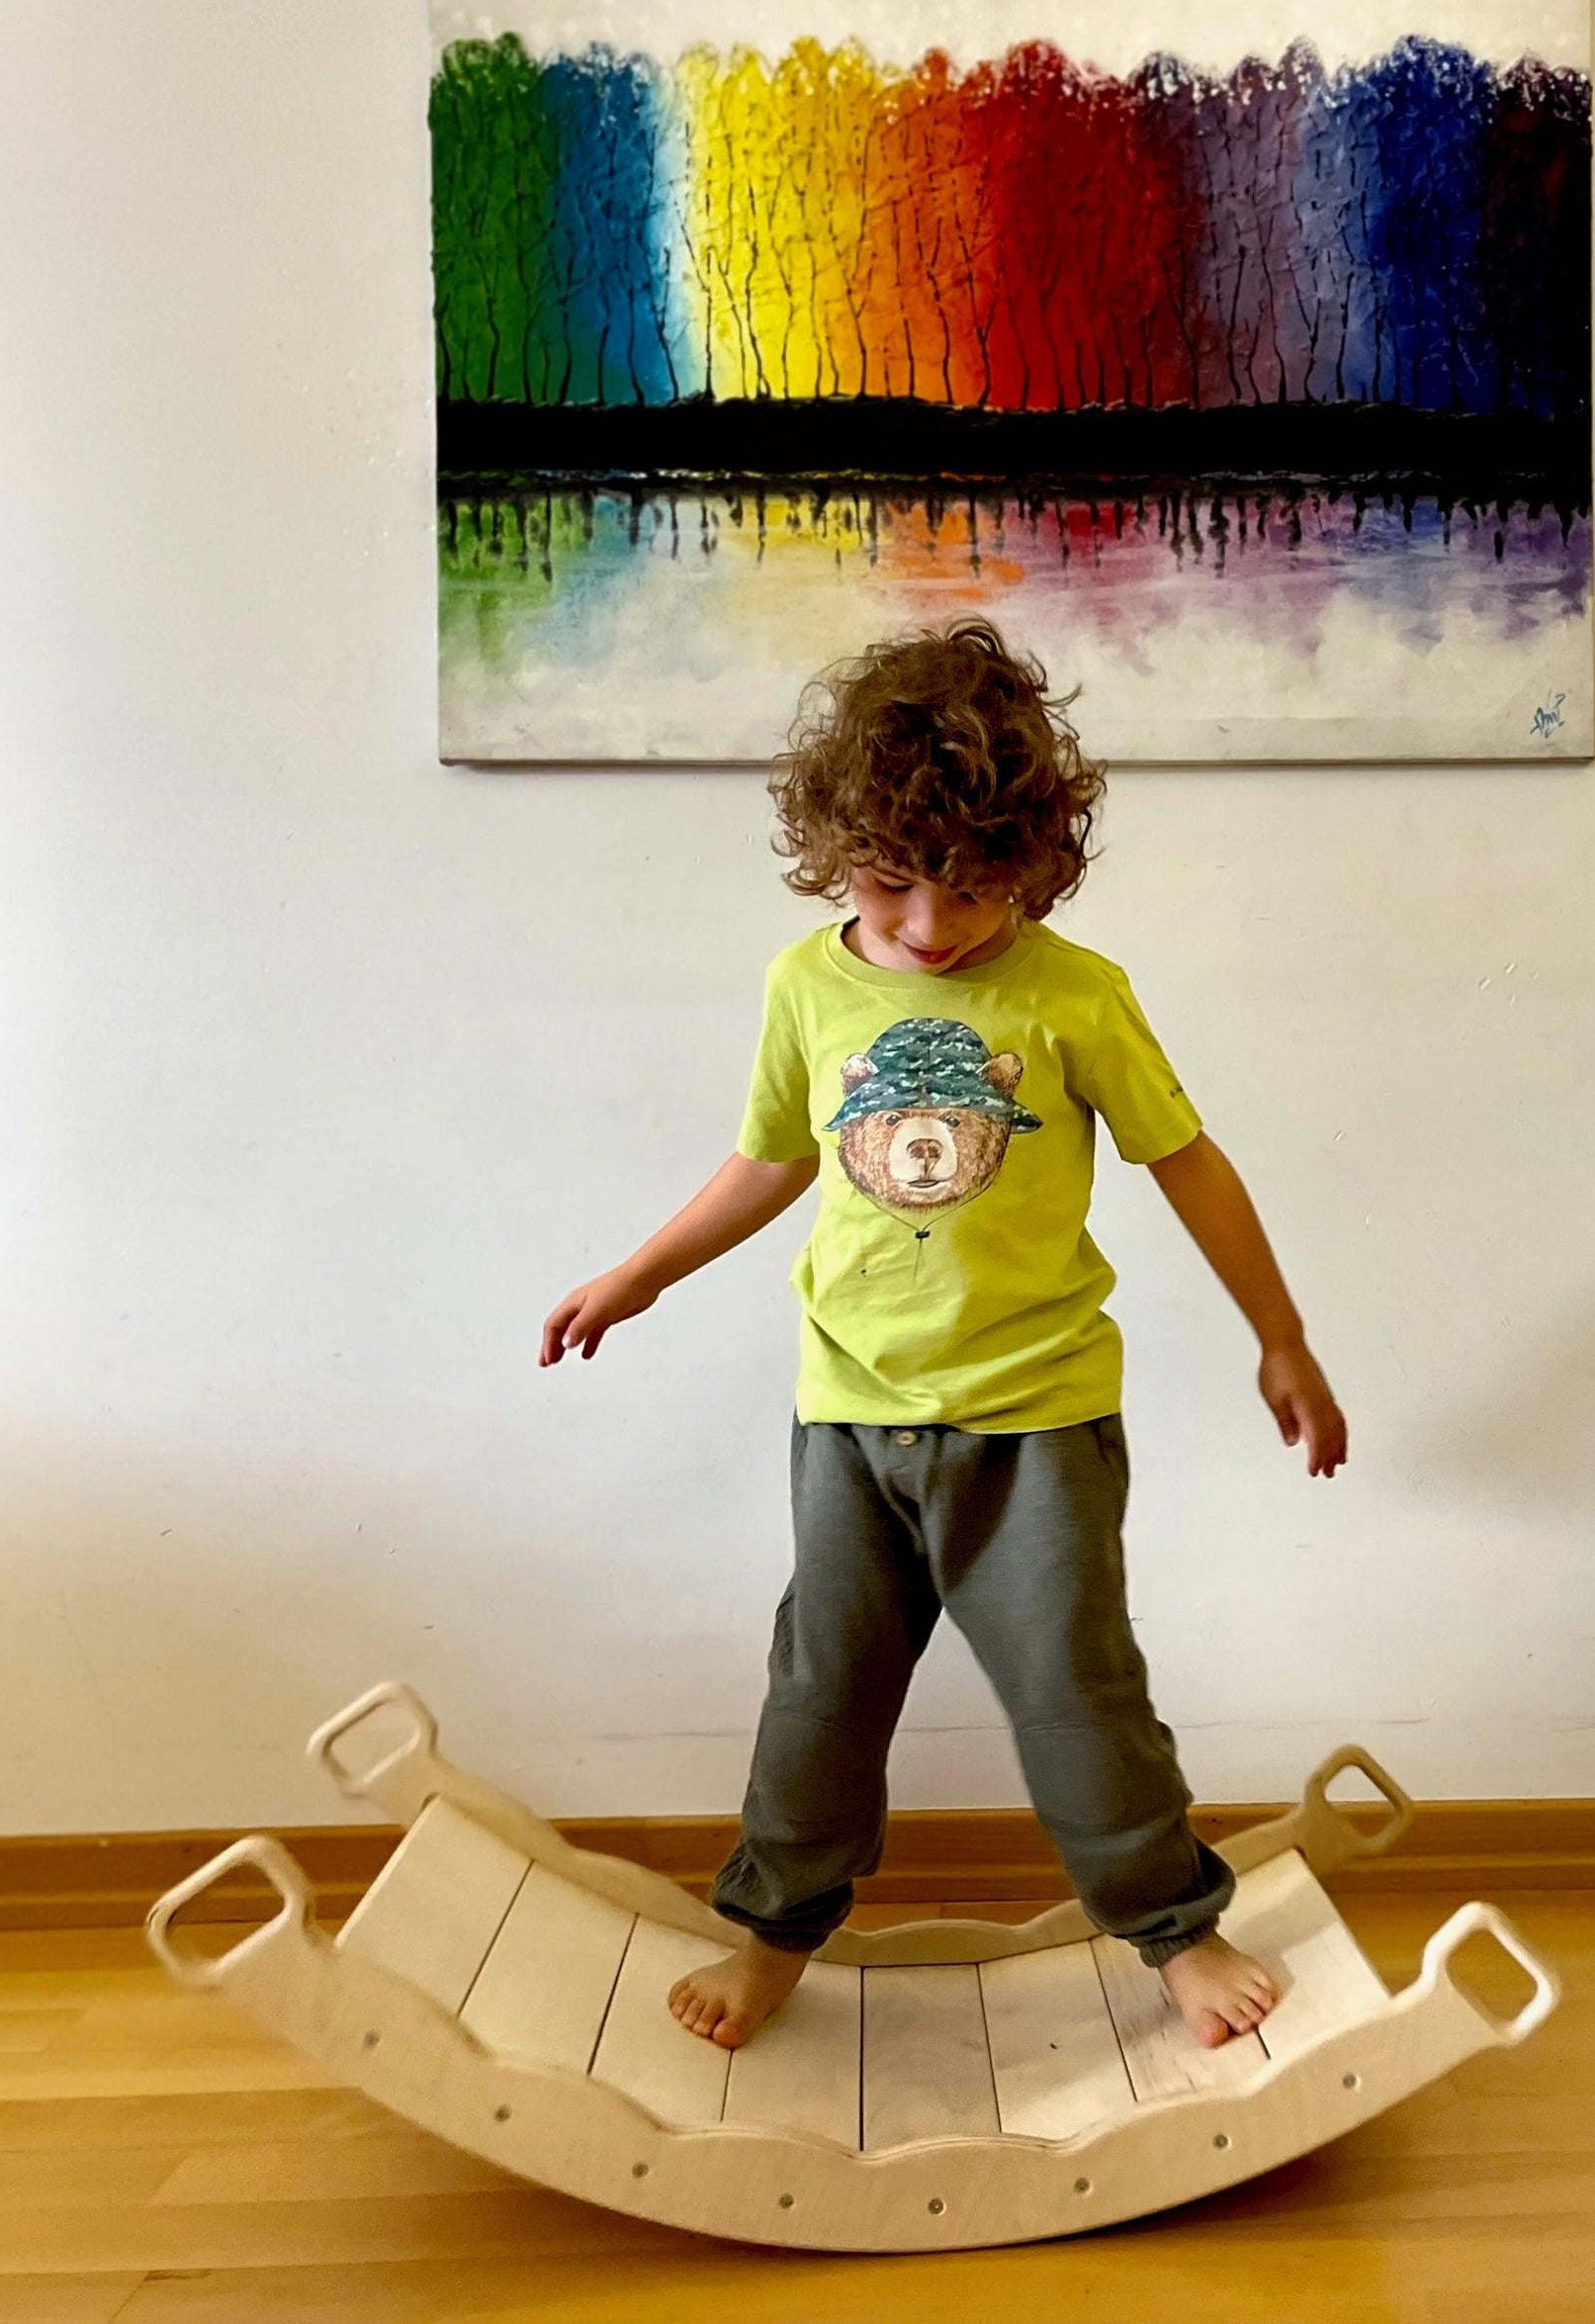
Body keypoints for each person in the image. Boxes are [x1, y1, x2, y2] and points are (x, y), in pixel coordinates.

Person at [541, 619, 1347, 2052]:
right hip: (848, 1420)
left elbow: (1189, 1162)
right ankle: (774, 1931)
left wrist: (1277, 1337)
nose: (927, 924)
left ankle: (1173, 1928)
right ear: (832, 851)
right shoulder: (806, 985)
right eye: (891, 879)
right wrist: (641, 1270)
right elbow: (773, 1157)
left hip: (1034, 1420)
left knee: (1076, 1692)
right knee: (821, 1695)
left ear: (1038, 860)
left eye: (973, 885)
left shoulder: (1071, 994)